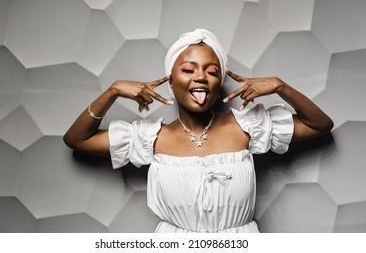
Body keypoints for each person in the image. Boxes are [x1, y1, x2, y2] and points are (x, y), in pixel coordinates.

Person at [64, 29, 333, 233]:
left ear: (219, 83)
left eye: (212, 71)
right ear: (171, 82)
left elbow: (319, 125)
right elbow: (77, 139)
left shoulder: (248, 127)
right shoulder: (152, 138)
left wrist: (280, 86)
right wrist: (112, 92)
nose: (201, 77)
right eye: (188, 69)